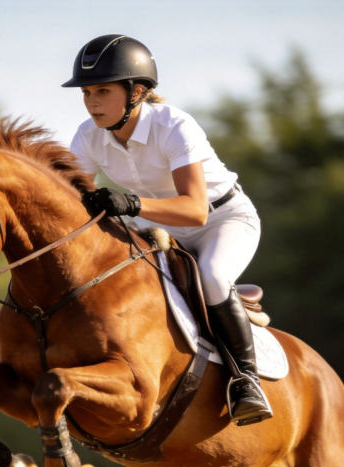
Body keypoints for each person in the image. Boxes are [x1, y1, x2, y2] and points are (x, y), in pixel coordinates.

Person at [63, 34, 272, 426]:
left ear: (137, 91)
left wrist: (133, 204)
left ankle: (246, 381)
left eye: (102, 91)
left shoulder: (174, 124)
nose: (91, 101)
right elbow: (73, 204)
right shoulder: (87, 136)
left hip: (220, 218)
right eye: (87, 92)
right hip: (155, 220)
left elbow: (193, 210)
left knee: (210, 276)